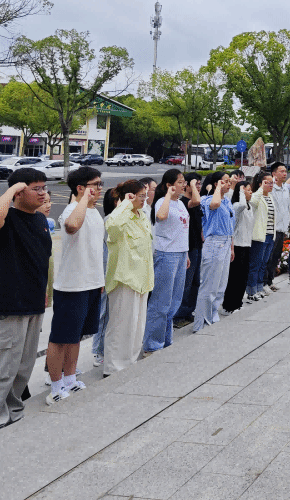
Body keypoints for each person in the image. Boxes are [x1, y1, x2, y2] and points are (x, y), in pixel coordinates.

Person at [0, 168, 53, 438]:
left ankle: (13, 414)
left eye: (44, 187)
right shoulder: (6, 217)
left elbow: (41, 259)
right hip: (6, 305)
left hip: (32, 304)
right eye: (36, 188)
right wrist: (11, 189)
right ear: (19, 192)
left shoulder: (40, 220)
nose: (43, 193)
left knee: (22, 368)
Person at [46, 167, 104, 405]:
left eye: (100, 184)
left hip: (91, 283)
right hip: (72, 286)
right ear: (81, 188)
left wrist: (99, 281)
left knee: (76, 336)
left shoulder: (94, 212)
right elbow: (71, 226)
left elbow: (94, 249)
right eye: (95, 184)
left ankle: (70, 379)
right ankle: (55, 385)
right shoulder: (72, 209)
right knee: (61, 337)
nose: (99, 189)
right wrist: (83, 200)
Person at [103, 180, 154, 375]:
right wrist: (125, 203)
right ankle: (113, 368)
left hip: (142, 278)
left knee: (137, 326)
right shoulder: (119, 216)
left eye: (145, 195)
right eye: (141, 196)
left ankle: (131, 363)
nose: (144, 199)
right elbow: (113, 226)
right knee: (121, 326)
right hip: (124, 279)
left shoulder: (142, 216)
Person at [143, 169, 189, 354]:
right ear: (169, 185)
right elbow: (161, 217)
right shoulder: (162, 201)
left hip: (180, 253)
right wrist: (168, 195)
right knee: (161, 302)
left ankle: (166, 339)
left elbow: (182, 230)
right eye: (180, 182)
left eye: (184, 182)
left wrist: (186, 254)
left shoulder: (181, 203)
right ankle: (152, 344)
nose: (184, 185)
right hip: (166, 255)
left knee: (174, 301)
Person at [193, 172, 235, 332]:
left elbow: (230, 225)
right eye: (224, 181)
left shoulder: (227, 201)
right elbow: (215, 204)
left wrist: (231, 247)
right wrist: (217, 188)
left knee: (220, 285)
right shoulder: (207, 199)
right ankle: (201, 322)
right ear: (216, 183)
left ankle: (212, 315)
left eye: (229, 181)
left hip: (226, 242)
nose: (228, 184)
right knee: (209, 285)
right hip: (214, 243)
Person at [173, 172, 203, 329]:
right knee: (186, 283)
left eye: (199, 183)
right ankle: (178, 315)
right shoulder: (184, 202)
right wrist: (190, 184)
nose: (198, 186)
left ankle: (188, 311)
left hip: (197, 245)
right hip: (188, 247)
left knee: (196, 282)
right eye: (196, 183)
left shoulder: (195, 202)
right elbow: (196, 200)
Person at [221, 181, 253, 315]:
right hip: (237, 246)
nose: (251, 192)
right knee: (234, 277)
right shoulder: (236, 206)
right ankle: (228, 306)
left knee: (243, 276)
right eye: (248, 190)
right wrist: (240, 191)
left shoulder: (249, 207)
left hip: (247, 245)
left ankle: (238, 303)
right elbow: (241, 205)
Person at [247, 172, 275, 300]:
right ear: (260, 184)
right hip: (259, 236)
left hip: (269, 235)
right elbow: (252, 203)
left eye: (272, 182)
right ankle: (251, 291)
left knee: (263, 264)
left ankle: (259, 287)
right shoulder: (256, 196)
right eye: (267, 182)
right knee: (255, 264)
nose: (271, 185)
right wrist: (260, 189)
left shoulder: (270, 197)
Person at [266, 162, 290, 291]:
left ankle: (270, 282)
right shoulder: (271, 189)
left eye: (285, 171)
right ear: (274, 174)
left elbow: (286, 208)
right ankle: (263, 283)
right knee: (268, 257)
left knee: (275, 257)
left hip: (282, 228)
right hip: (272, 229)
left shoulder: (285, 188)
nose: (284, 174)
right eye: (281, 171)